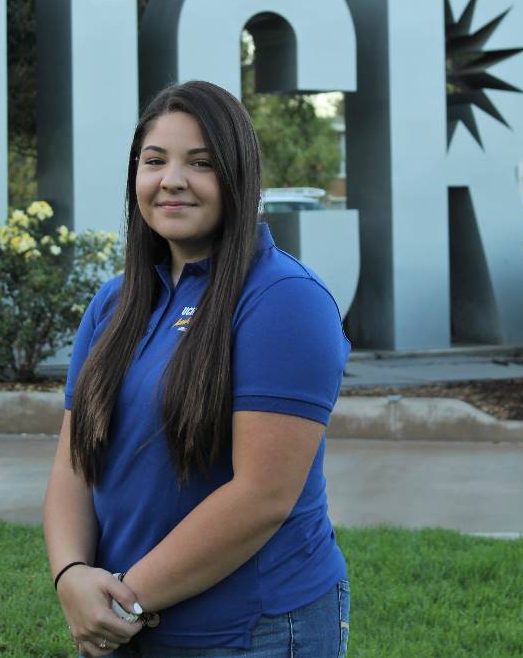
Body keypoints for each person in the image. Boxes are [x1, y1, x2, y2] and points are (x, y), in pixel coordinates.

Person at [43, 80, 351, 658]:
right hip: (126, 620)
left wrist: (119, 602)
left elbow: (261, 496)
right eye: (154, 160)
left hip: (254, 631)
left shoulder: (285, 299)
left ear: (239, 177)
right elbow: (73, 462)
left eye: (201, 163)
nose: (172, 180)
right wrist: (71, 576)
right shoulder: (115, 302)